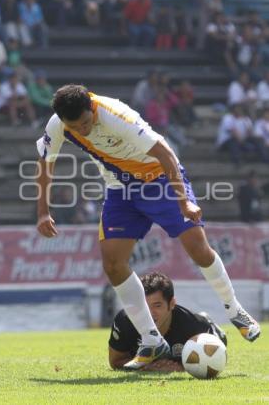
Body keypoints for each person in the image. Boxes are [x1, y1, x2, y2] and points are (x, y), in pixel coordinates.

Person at [36, 84, 260, 371]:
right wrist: (43, 212)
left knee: (197, 248)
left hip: (160, 180)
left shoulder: (115, 114)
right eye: (75, 127)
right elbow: (45, 163)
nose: (82, 131)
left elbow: (166, 154)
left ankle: (235, 310)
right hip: (121, 189)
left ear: (91, 109)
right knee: (113, 264)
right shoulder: (58, 125)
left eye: (85, 123)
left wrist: (185, 204)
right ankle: (151, 339)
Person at [109, 272, 227, 371]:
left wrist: (181, 368)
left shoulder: (194, 326)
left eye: (157, 305)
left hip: (209, 330)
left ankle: (208, 320)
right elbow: (115, 361)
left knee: (218, 339)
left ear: (171, 304)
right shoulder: (125, 320)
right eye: (144, 306)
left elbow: (215, 360)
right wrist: (148, 367)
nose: (149, 313)